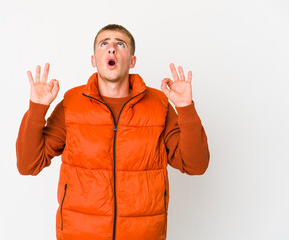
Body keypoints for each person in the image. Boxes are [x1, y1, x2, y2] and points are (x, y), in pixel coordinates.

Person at [16, 24, 210, 240]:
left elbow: (196, 165)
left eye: (120, 44)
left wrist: (185, 108)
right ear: (93, 60)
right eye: (104, 43)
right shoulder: (72, 103)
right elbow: (28, 164)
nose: (112, 49)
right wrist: (37, 108)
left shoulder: (159, 104)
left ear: (132, 61)